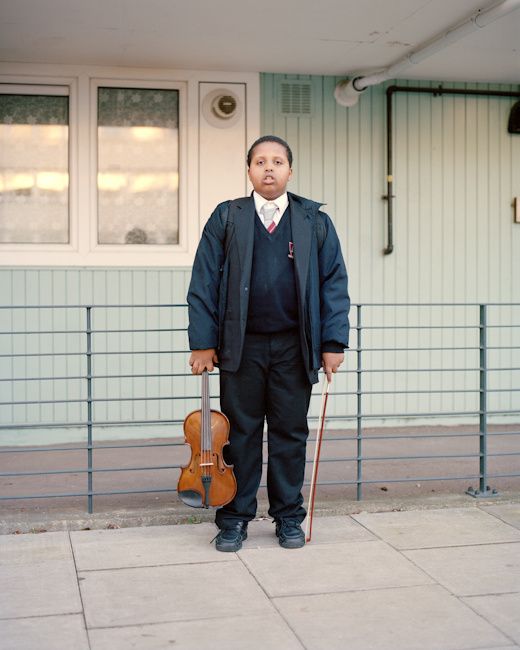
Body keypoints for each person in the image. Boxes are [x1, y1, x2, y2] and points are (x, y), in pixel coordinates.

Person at [187, 135, 350, 551]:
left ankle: (289, 517)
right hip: (240, 348)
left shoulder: (313, 221)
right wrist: (203, 343)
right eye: (260, 162)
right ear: (249, 171)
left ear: (290, 170)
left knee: (289, 434)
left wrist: (333, 342)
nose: (269, 169)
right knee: (239, 434)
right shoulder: (227, 217)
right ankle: (234, 518)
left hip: (296, 349)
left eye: (278, 161)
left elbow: (334, 283)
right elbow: (203, 281)